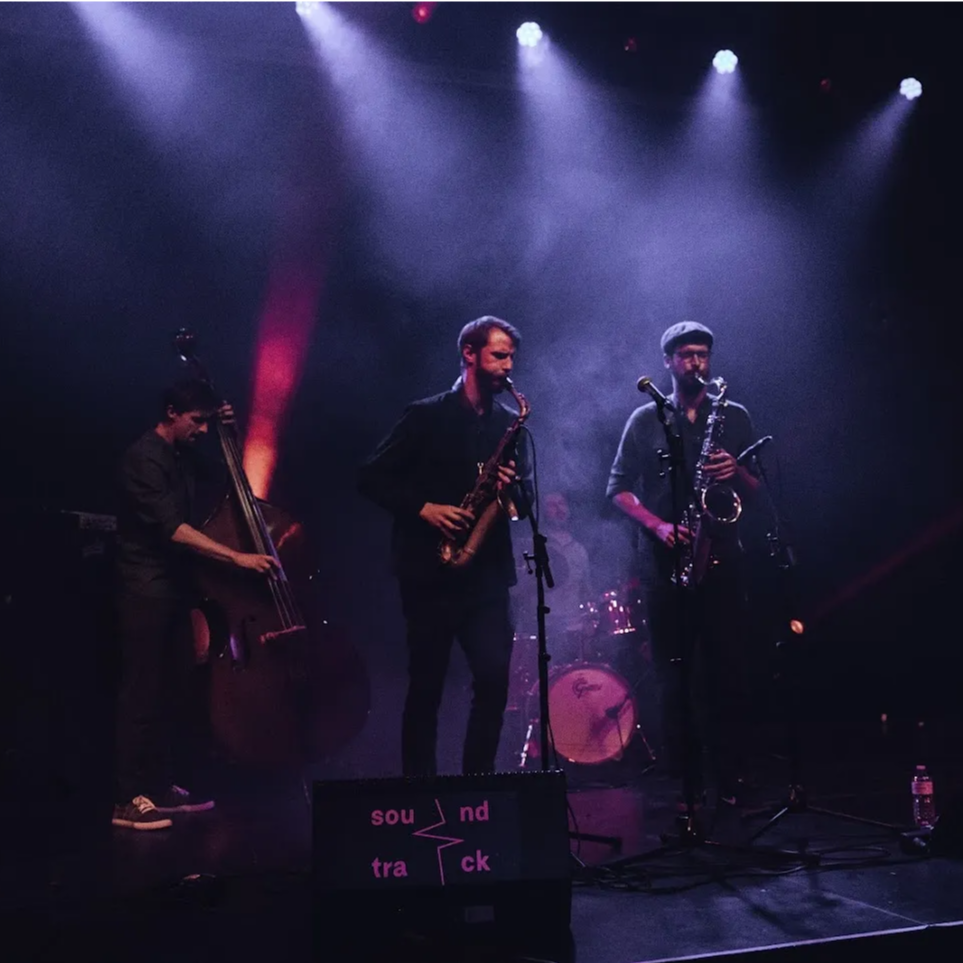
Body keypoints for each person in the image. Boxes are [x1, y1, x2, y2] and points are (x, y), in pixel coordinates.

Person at [358, 316, 532, 777]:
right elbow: (370, 476)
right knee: (427, 687)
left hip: (488, 576)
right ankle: (420, 789)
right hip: (429, 574)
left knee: (494, 683)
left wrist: (511, 491)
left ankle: (480, 782)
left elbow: (524, 506)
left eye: (511, 357)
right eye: (499, 356)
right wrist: (424, 508)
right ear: (470, 354)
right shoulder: (425, 416)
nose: (508, 367)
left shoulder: (509, 424)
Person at [606, 321, 760, 807]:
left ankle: (731, 774)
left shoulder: (733, 416)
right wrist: (659, 526)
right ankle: (683, 778)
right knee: (675, 675)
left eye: (704, 354)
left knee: (729, 671)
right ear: (669, 361)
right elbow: (617, 489)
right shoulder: (645, 419)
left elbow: (759, 490)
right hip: (665, 564)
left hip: (723, 559)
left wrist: (736, 471)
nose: (697, 363)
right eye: (687, 355)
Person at [112, 378, 277, 830]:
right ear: (171, 413)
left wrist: (231, 433)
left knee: (172, 690)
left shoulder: (182, 456)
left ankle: (157, 784)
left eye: (207, 422)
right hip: (144, 589)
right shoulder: (142, 459)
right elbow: (173, 529)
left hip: (176, 589)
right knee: (141, 692)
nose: (202, 430)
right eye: (197, 421)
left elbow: (228, 479)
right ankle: (126, 798)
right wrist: (238, 558)